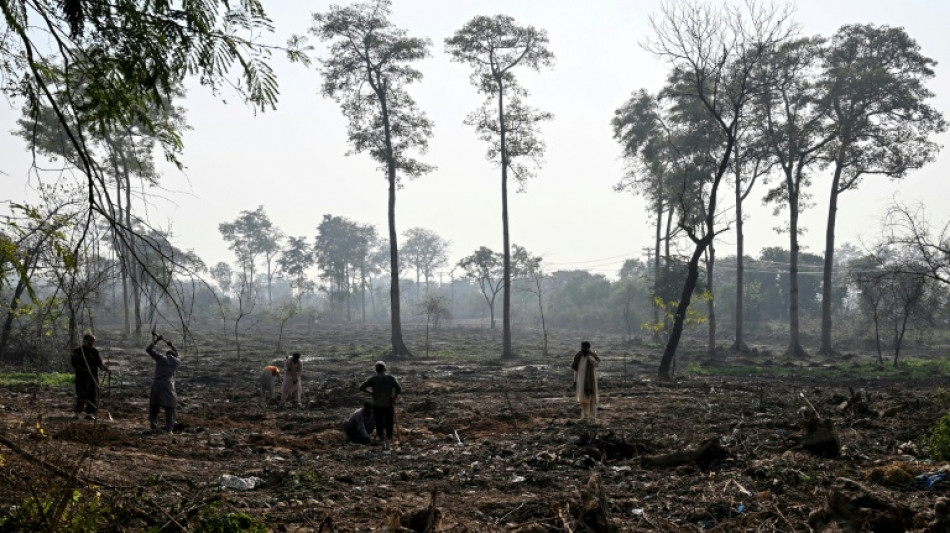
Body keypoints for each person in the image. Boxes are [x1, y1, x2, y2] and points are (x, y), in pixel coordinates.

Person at [359, 361, 402, 451]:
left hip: (377, 405)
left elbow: (361, 387)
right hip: (388, 405)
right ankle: (388, 443)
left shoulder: (373, 379)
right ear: (384, 369)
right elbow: (399, 389)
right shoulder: (390, 378)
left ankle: (383, 442)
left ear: (376, 370)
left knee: (379, 424)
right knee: (389, 423)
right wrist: (394, 398)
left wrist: (371, 393)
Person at [147, 333, 180, 433]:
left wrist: (156, 340)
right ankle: (169, 430)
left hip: (157, 385)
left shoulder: (161, 358)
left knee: (154, 407)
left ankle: (153, 427)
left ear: (167, 354)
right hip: (169, 386)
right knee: (170, 408)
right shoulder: (176, 362)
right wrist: (172, 345)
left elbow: (149, 350)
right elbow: (177, 354)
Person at [70, 333, 109, 419]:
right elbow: (74, 364)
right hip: (81, 377)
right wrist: (83, 369)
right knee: (81, 394)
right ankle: (77, 413)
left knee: (93, 394)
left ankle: (90, 414)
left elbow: (99, 363)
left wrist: (105, 369)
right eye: (91, 340)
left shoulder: (95, 351)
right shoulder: (78, 351)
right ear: (85, 341)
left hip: (93, 377)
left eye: (93, 341)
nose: (92, 342)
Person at [571, 341, 601, 423]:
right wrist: (574, 380)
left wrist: (591, 359)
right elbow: (575, 369)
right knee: (582, 399)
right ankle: (585, 417)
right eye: (582, 347)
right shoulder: (578, 356)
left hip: (590, 381)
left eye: (585, 347)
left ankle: (592, 418)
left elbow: (597, 364)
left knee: (591, 399)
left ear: (588, 348)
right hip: (580, 381)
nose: (583, 349)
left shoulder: (592, 355)